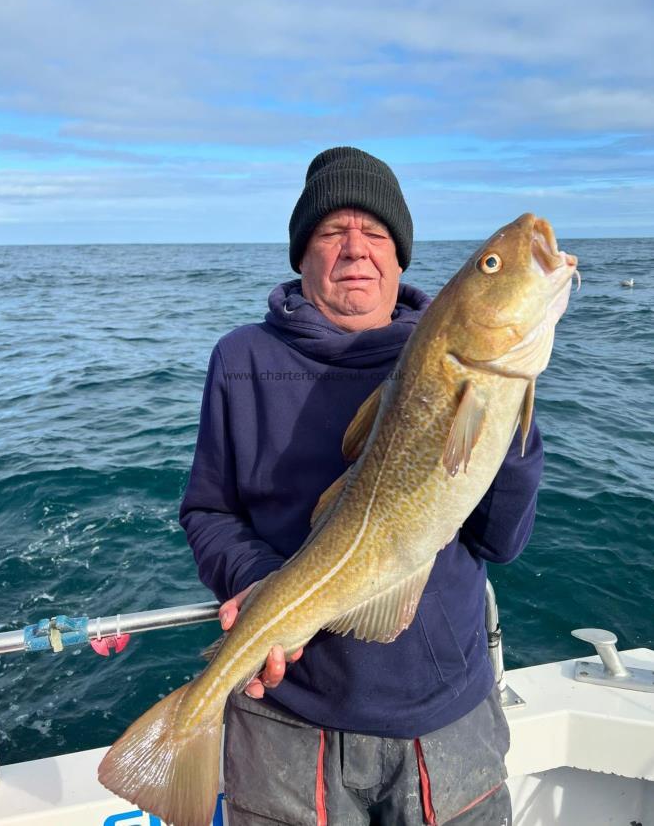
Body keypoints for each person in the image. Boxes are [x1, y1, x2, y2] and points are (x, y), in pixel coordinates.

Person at [180, 147, 543, 825]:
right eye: (329, 233)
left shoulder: (451, 359)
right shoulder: (241, 358)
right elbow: (207, 509)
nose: (355, 250)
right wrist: (256, 577)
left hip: (445, 716)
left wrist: (506, 410)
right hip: (285, 719)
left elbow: (499, 541)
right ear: (301, 254)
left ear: (400, 256)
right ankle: (180, 738)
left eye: (375, 233)